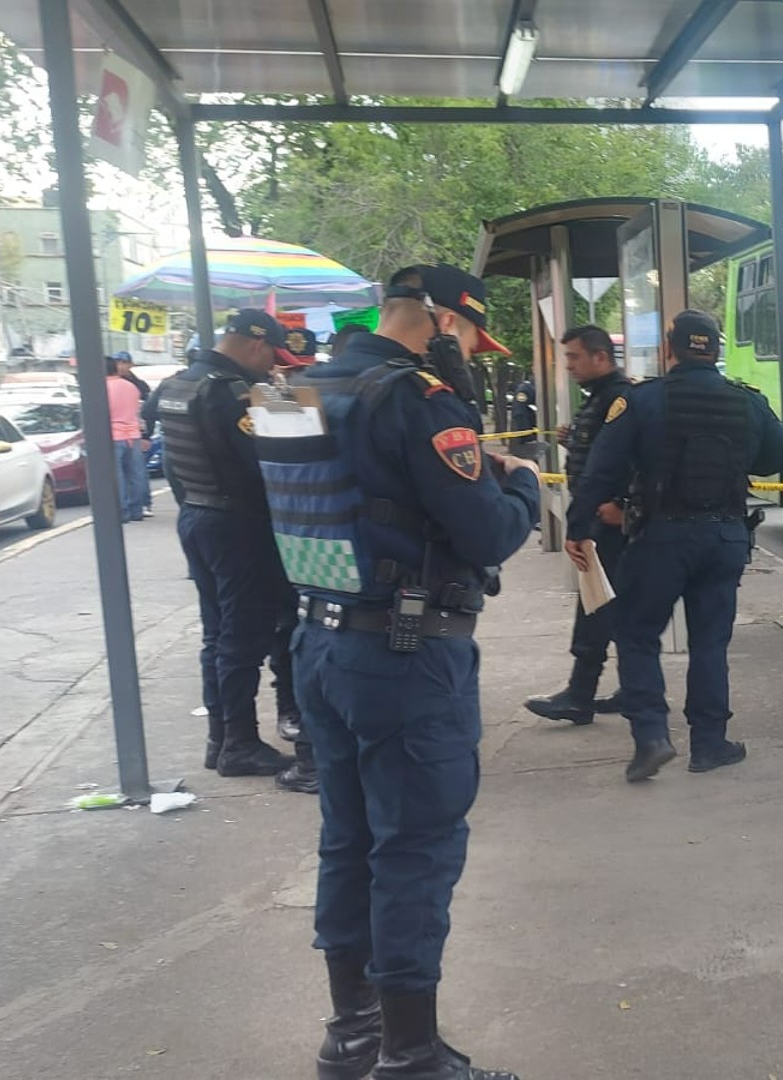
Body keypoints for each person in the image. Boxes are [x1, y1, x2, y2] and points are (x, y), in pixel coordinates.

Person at [259, 264, 534, 1080]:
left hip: (318, 645)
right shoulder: (417, 400)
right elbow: (484, 534)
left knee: (347, 841)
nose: (468, 356)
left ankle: (352, 1035)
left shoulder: (287, 393)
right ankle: (411, 1056)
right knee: (414, 849)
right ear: (442, 322)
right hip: (404, 658)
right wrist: (513, 487)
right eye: (468, 339)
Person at [566, 310, 783, 780]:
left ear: (670, 350)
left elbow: (601, 469)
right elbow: (782, 455)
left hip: (661, 537)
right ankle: (710, 744)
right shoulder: (746, 401)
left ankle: (651, 736)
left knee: (636, 634)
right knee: (711, 642)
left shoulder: (642, 400)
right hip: (726, 536)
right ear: (714, 350)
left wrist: (578, 526)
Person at [151, 311, 300, 777]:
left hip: (198, 516)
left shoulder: (178, 384)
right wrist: (285, 401)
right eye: (271, 357)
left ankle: (220, 738)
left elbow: (176, 464)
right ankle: (239, 743)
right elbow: (278, 456)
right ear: (256, 347)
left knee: (216, 634)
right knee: (243, 637)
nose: (272, 366)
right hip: (239, 527)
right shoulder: (231, 393)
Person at [525, 325, 635, 725]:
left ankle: (580, 694)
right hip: (602, 521)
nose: (567, 365)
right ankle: (632, 691)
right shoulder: (603, 399)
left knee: (595, 608)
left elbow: (625, 462)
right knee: (614, 610)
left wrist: (618, 508)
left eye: (573, 356)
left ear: (600, 357)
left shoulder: (619, 399)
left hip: (608, 526)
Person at [266, 325, 322, 795]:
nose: (294, 377)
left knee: (297, 640)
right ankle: (306, 750)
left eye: (301, 369)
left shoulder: (290, 406)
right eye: (288, 369)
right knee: (293, 642)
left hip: (304, 542)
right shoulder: (273, 406)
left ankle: (309, 755)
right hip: (295, 544)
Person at [115, 351, 157, 519]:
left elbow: (146, 413)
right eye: (117, 362)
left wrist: (147, 435)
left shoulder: (140, 386)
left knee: (137, 472)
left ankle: (141, 504)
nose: (120, 366)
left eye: (123, 362)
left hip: (134, 433)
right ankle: (134, 507)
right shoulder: (131, 385)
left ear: (130, 364)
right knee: (133, 472)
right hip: (129, 433)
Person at [105, 357, 147, 523]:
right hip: (133, 434)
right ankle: (137, 510)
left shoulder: (102, 388)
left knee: (118, 475)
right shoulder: (131, 387)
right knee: (135, 474)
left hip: (114, 435)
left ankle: (122, 512)